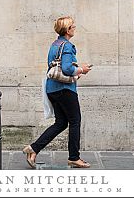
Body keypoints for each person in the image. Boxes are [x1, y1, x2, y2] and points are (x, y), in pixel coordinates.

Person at [23, 16, 92, 169]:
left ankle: (34, 149)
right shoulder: (67, 46)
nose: (74, 27)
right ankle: (74, 157)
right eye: (72, 26)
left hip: (52, 88)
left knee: (61, 123)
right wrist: (81, 69)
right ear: (67, 30)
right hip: (65, 89)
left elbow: (56, 66)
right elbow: (66, 69)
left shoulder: (55, 44)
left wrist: (76, 71)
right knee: (75, 121)